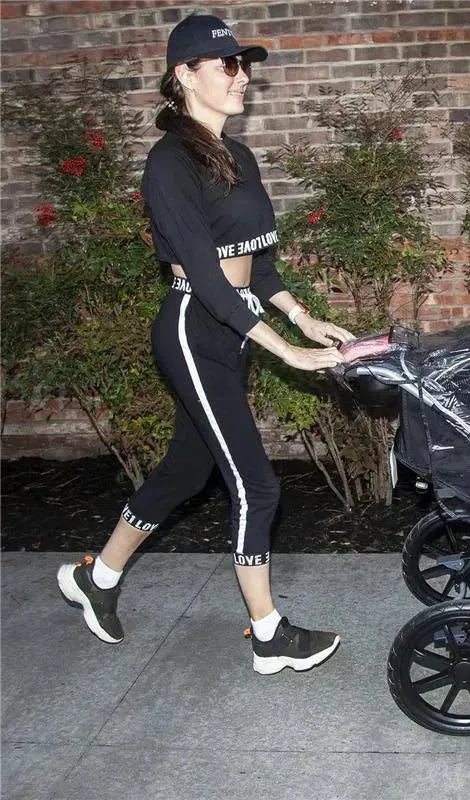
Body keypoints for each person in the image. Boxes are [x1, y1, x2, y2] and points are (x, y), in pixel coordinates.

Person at [57, 13, 355, 676]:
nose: (241, 76)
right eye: (227, 65)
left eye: (243, 64)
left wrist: (302, 319)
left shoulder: (238, 157)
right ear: (185, 75)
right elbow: (208, 275)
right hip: (195, 327)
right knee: (257, 485)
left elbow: (256, 261)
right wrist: (286, 351)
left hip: (234, 326)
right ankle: (268, 635)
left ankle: (96, 578)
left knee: (185, 473)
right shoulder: (169, 164)